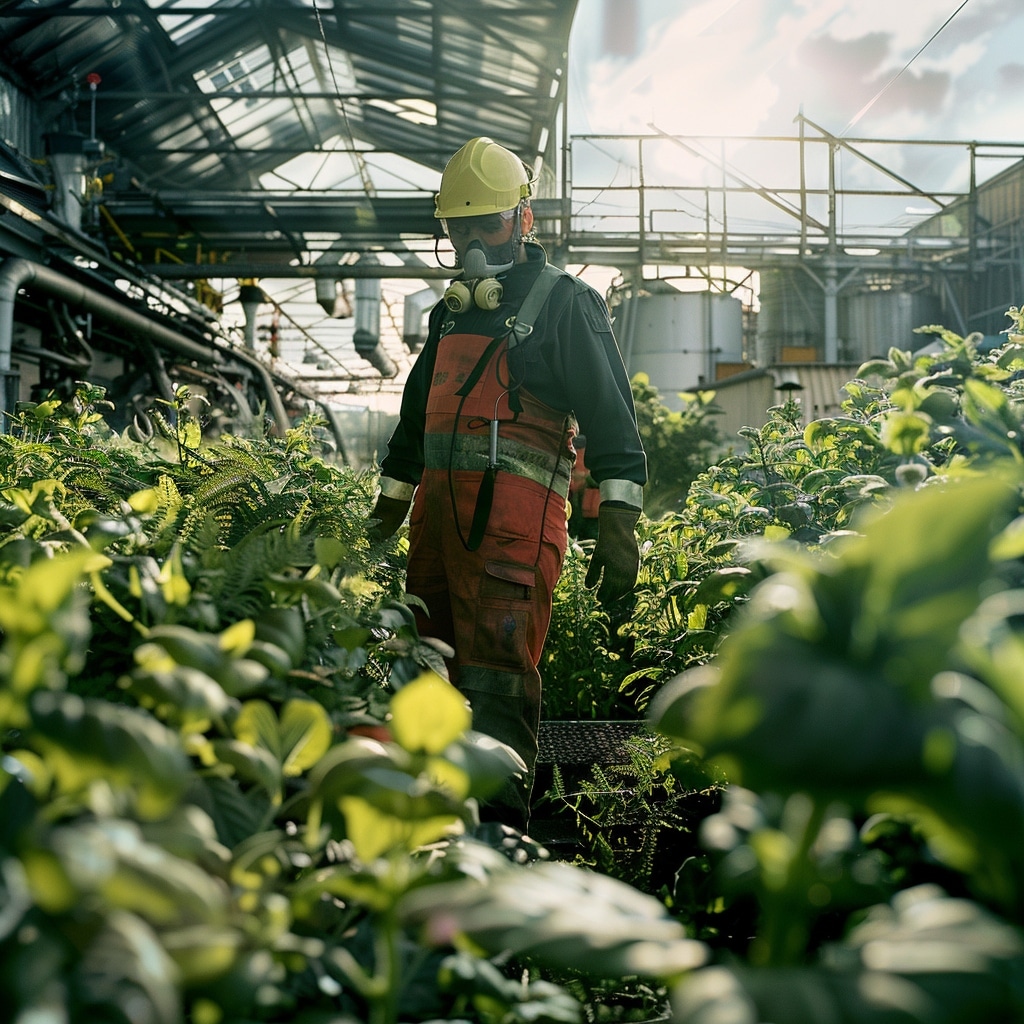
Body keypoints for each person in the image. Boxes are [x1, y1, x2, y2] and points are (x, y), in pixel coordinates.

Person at [369, 136, 647, 832]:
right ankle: (432, 827)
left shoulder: (567, 305)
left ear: (523, 220)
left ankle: (497, 842)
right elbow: (414, 420)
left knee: (496, 683)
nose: (470, 243)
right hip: (436, 531)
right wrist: (390, 503)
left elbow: (613, 422)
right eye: (456, 229)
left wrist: (618, 525)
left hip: (513, 538)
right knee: (423, 667)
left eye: (483, 225)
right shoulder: (452, 313)